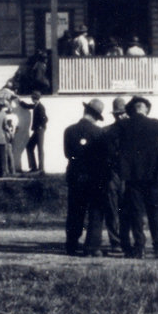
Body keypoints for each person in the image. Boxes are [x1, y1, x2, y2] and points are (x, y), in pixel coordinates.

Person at [110, 95, 158, 258]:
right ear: (146, 109)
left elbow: (106, 139)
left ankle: (139, 248)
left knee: (136, 213)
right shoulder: (156, 123)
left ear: (131, 110)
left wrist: (120, 158)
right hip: (154, 176)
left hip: (133, 176)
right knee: (154, 213)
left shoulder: (123, 124)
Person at [63, 99, 108, 256]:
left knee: (75, 210)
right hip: (94, 176)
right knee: (95, 211)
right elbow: (104, 157)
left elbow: (67, 154)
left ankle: (71, 244)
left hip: (75, 175)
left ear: (85, 111)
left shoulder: (69, 131)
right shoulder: (100, 133)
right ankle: (92, 247)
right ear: (97, 116)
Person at [103, 96, 130, 254]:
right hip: (113, 173)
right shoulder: (108, 131)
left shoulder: (133, 131)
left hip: (127, 175)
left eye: (123, 113)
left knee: (126, 209)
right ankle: (116, 242)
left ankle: (125, 240)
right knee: (112, 209)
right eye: (118, 114)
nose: (120, 116)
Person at [21, 91, 48, 174]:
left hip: (39, 130)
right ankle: (34, 167)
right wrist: (20, 101)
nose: (32, 99)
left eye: (33, 98)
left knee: (39, 148)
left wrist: (41, 126)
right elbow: (27, 106)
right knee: (29, 146)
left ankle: (41, 169)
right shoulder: (36, 105)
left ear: (35, 98)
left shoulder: (40, 107)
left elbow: (46, 119)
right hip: (37, 130)